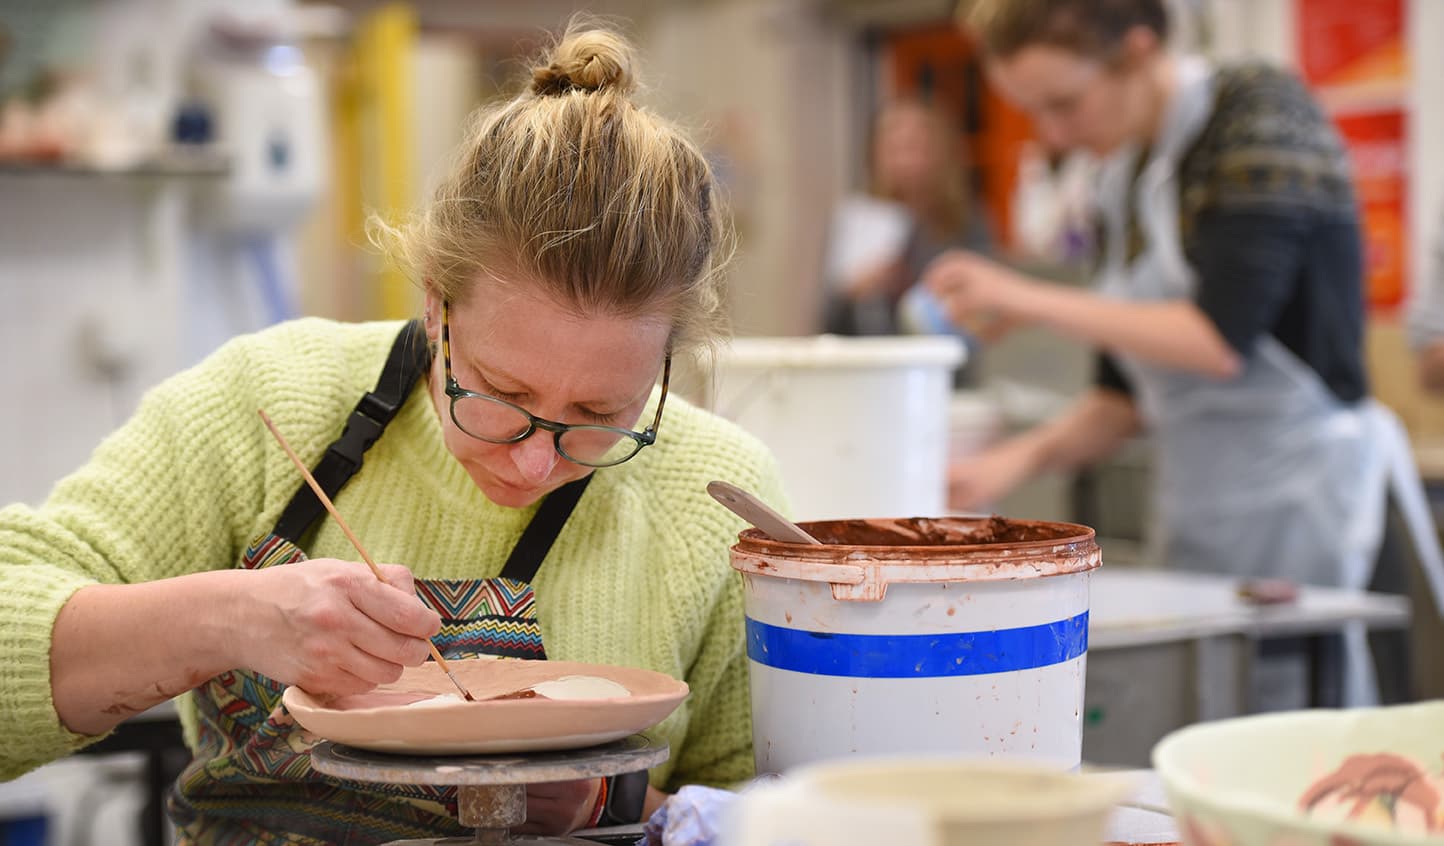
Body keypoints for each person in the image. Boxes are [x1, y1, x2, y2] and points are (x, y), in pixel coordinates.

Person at [0, 22, 787, 843]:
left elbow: (782, 816)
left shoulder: (715, 501)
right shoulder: (271, 401)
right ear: (435, 306)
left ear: (665, 367)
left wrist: (610, 804)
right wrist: (230, 618)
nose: (531, 460)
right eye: (501, 392)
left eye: (599, 416)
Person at [928, 0, 1444, 702]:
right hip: (1198, 502)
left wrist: (1026, 299)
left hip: (1308, 501)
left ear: (1138, 53)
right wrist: (1008, 465)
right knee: (1205, 709)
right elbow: (1122, 400)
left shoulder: (1258, 114)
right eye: (1034, 112)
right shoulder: (1119, 179)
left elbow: (1216, 341)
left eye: (1065, 104)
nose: (1055, 133)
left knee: (1300, 726)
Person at [822, 99, 992, 338]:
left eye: (916, 147)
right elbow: (826, 318)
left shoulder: (966, 220)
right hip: (871, 353)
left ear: (941, 153)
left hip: (946, 356)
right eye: (894, 149)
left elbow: (986, 301)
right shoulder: (859, 219)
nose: (907, 161)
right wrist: (855, 288)